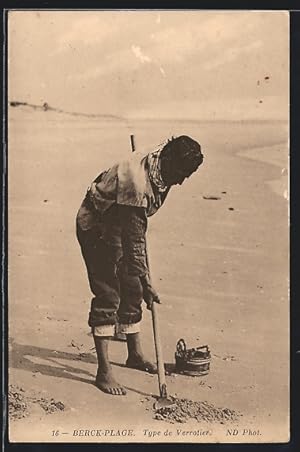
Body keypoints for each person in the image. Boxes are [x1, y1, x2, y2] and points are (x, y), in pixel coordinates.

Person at [76, 135, 204, 395]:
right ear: (167, 159)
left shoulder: (163, 159)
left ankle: (134, 354)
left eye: (185, 177)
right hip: (96, 225)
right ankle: (103, 372)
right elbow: (134, 238)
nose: (179, 181)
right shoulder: (136, 182)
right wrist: (148, 282)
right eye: (178, 174)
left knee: (132, 287)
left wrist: (140, 280)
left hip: (120, 224)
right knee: (108, 293)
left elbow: (133, 232)